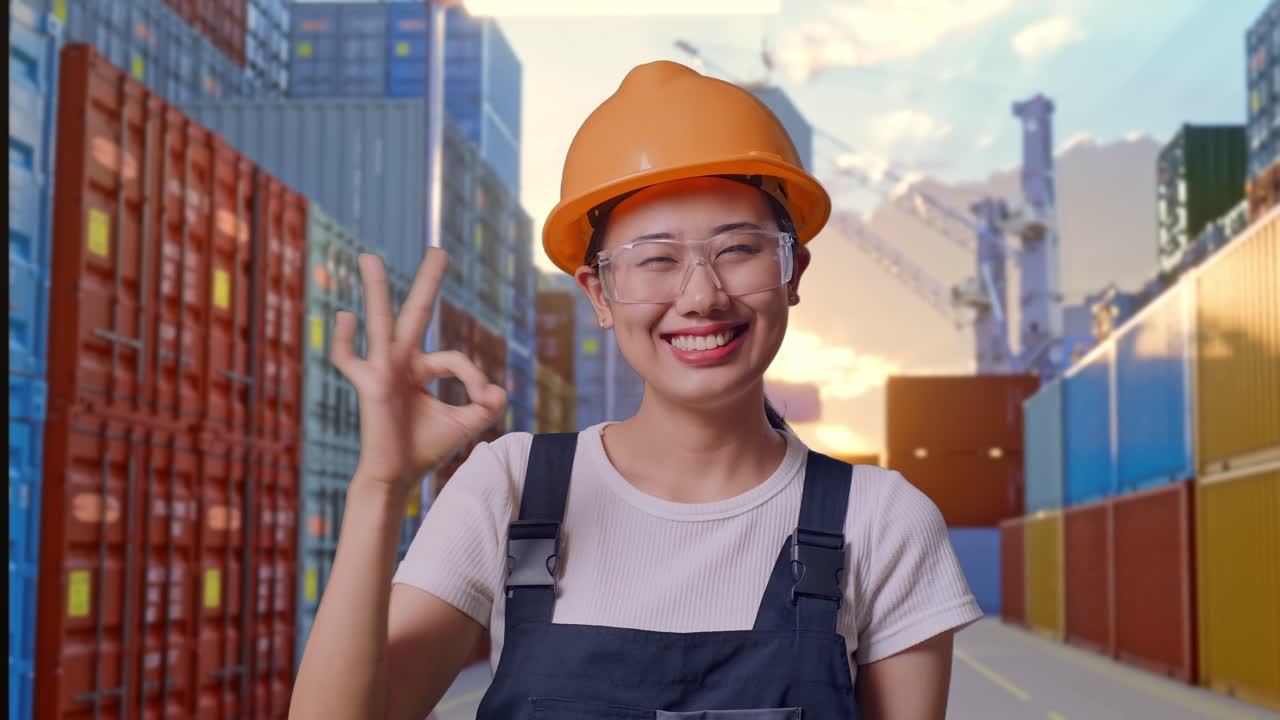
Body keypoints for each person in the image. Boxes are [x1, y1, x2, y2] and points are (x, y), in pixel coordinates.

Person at [290, 61, 982, 720]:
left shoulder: (882, 522)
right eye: (655, 260)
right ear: (599, 292)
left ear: (793, 271)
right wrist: (380, 484)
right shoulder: (509, 488)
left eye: (738, 250)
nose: (702, 296)